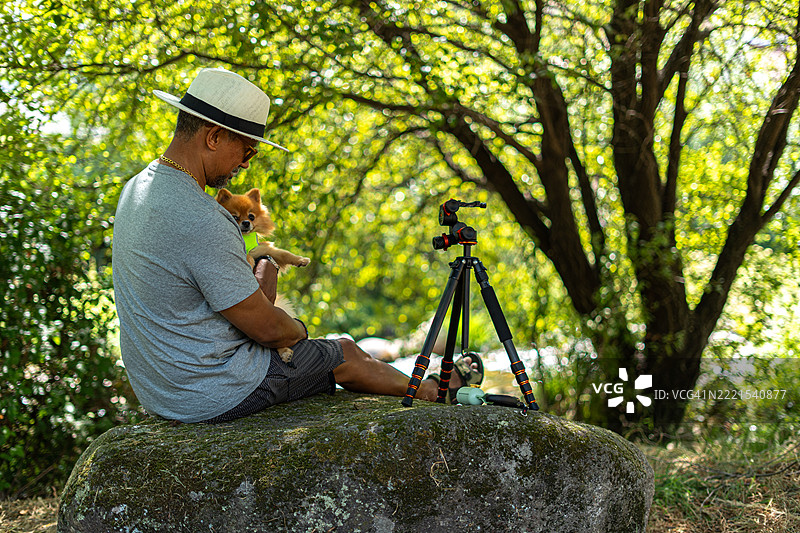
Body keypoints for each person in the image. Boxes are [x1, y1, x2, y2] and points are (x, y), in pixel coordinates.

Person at [111, 67, 482, 423]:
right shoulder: (203, 217)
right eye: (247, 150)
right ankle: (433, 391)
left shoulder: (137, 190)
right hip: (213, 391)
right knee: (344, 352)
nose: (245, 164)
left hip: (161, 391)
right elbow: (269, 330)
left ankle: (426, 383)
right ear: (213, 137)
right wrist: (299, 330)